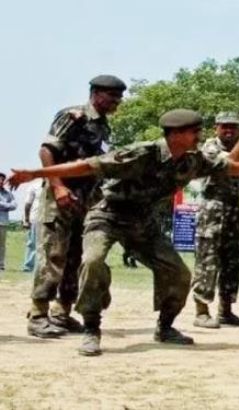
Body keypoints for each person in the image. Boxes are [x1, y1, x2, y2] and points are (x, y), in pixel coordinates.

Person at [7, 108, 239, 356]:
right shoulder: (142, 153)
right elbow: (88, 166)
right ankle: (91, 328)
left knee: (179, 273)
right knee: (92, 261)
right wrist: (37, 174)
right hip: (107, 214)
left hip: (142, 222)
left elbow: (228, 167)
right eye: (195, 131)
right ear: (177, 133)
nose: (199, 136)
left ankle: (165, 327)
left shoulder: (191, 160)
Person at [28, 75, 126, 339]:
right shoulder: (73, 116)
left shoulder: (103, 127)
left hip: (85, 200)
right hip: (61, 196)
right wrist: (58, 186)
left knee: (75, 258)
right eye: (111, 96)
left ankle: (62, 312)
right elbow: (46, 151)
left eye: (119, 97)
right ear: (95, 93)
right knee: (54, 255)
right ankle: (38, 315)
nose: (116, 102)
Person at [191, 111, 239, 329]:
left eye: (234, 127)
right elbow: (229, 163)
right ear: (216, 128)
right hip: (212, 209)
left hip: (232, 208)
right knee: (207, 262)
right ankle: (201, 311)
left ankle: (226, 311)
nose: (229, 131)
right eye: (224, 126)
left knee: (232, 263)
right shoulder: (211, 147)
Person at [21, 183, 43, 272]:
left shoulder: (57, 183)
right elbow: (28, 204)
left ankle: (41, 267)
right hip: (35, 218)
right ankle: (28, 266)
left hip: (50, 218)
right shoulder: (35, 185)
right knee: (32, 244)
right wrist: (26, 219)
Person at [0, 172, 16, 272]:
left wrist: (2, 205)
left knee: (1, 245)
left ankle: (0, 264)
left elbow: (14, 205)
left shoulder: (8, 193)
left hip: (3, 222)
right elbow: (9, 205)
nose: (1, 181)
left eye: (2, 180)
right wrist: (6, 205)